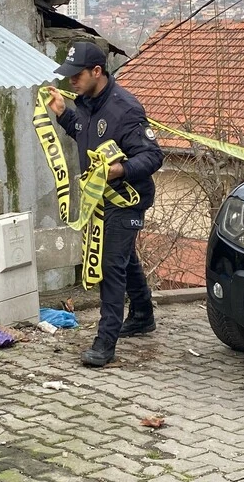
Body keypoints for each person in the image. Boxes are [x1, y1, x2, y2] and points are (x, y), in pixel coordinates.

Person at [46, 42, 164, 367]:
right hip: (100, 198)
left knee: (110, 265)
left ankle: (104, 342)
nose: (71, 81)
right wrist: (62, 114)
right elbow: (83, 133)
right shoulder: (85, 103)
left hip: (128, 198)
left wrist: (119, 170)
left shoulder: (125, 109)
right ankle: (142, 315)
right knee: (123, 259)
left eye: (77, 75)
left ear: (97, 71)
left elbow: (153, 156)